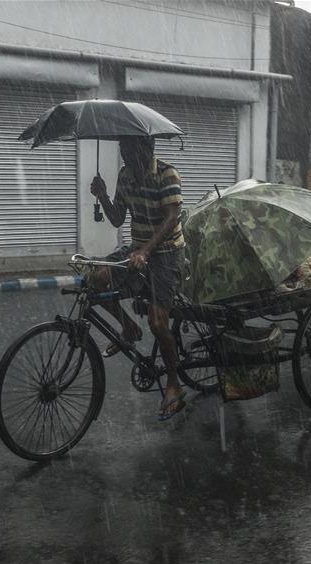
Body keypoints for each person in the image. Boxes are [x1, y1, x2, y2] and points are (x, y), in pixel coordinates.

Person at [89, 136, 187, 420]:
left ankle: (173, 384)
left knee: (158, 322)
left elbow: (171, 219)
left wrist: (146, 250)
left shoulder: (167, 174)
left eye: (129, 148)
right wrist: (103, 196)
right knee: (96, 281)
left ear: (146, 148)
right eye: (122, 149)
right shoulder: (125, 175)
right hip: (136, 251)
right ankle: (129, 328)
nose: (124, 154)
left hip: (167, 254)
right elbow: (119, 218)